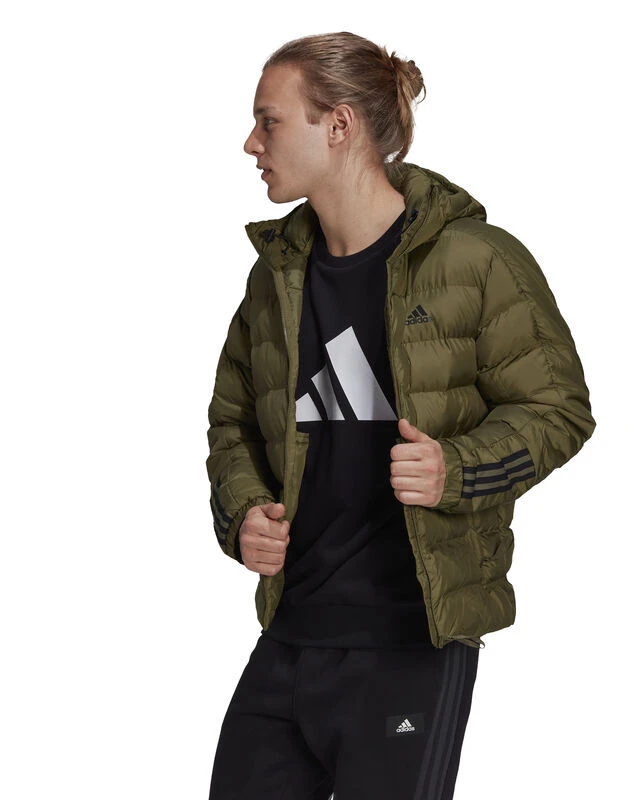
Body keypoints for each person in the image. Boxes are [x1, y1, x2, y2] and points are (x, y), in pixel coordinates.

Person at [205, 31, 596, 800]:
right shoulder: (276, 276)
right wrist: (243, 511)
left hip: (411, 640)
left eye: (269, 121)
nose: (252, 143)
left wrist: (457, 468)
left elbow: (560, 410)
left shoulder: (477, 261)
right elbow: (233, 422)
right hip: (290, 633)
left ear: (338, 124)